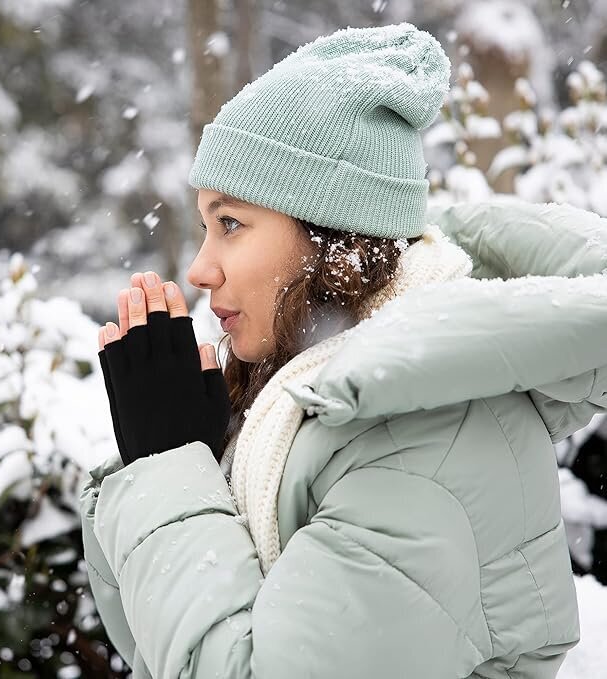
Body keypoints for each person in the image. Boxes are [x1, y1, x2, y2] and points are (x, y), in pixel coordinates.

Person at [78, 23, 607, 678]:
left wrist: (166, 467)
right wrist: (183, 453)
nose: (199, 268)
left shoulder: (420, 445)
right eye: (204, 227)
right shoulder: (307, 407)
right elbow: (162, 643)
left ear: (330, 241)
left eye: (231, 224)